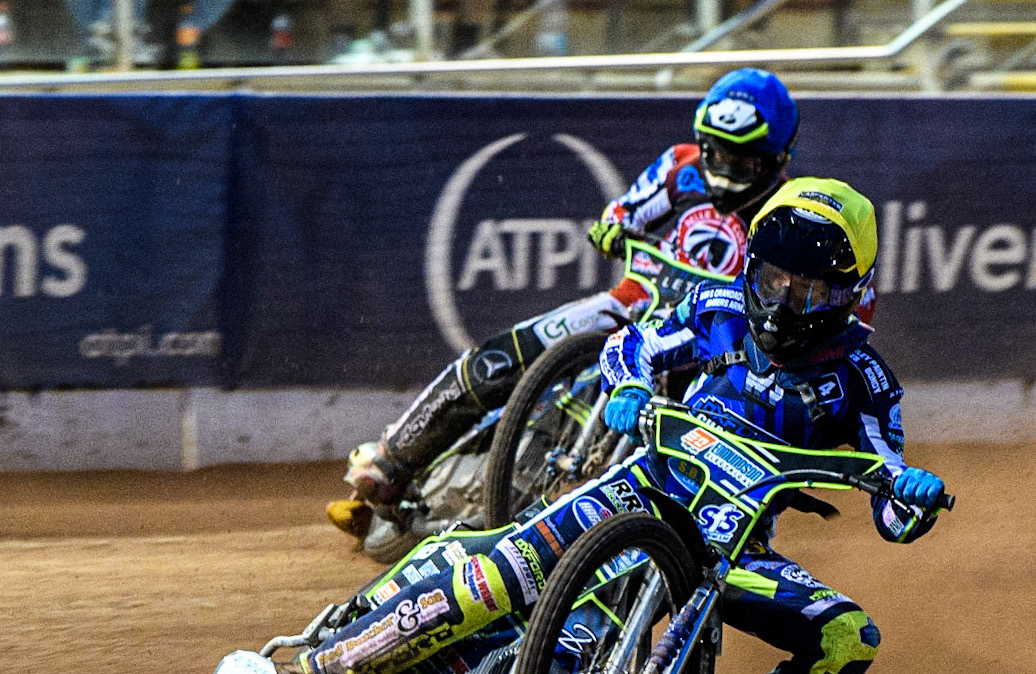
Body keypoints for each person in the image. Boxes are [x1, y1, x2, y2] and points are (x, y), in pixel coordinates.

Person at [249, 176, 947, 674]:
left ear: (850, 294)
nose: (784, 303)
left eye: (809, 290)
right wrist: (628, 388)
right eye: (773, 281)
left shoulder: (865, 381)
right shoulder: (716, 310)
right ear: (754, 269)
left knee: (848, 636)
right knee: (505, 570)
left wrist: (909, 499)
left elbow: (888, 494)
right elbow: (631, 347)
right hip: (640, 490)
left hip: (732, 551)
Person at [327, 68, 803, 550]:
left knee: (692, 474)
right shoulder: (681, 167)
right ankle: (391, 462)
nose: (724, 169)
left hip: (705, 345)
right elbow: (625, 211)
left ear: (778, 158)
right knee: (504, 355)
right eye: (717, 153)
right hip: (632, 303)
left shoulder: (789, 213)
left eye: (743, 162)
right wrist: (613, 228)